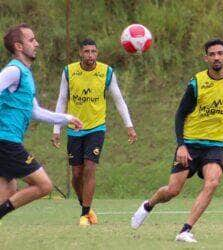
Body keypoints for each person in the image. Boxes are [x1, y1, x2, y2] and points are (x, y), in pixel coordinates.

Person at [131, 38, 223, 242]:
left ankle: (185, 230)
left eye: (220, 53)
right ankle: (149, 204)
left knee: (213, 182)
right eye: (212, 54)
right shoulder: (196, 83)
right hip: (190, 144)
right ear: (206, 58)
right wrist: (181, 145)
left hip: (215, 146)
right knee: (173, 190)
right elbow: (179, 114)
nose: (216, 57)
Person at [0, 23, 83, 222]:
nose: (36, 44)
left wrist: (66, 118)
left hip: (7, 141)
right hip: (6, 141)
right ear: (19, 46)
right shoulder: (14, 71)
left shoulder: (25, 74)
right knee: (43, 185)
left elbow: (34, 111)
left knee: (9, 189)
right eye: (31, 40)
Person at [51, 38, 137, 226]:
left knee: (90, 167)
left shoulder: (106, 72)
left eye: (94, 52)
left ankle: (84, 214)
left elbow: (119, 100)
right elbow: (62, 99)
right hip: (75, 128)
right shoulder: (69, 72)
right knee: (76, 174)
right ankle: (87, 207)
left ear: (97, 53)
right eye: (87, 52)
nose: (90, 55)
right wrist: (56, 128)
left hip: (96, 128)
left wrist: (129, 126)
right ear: (80, 53)